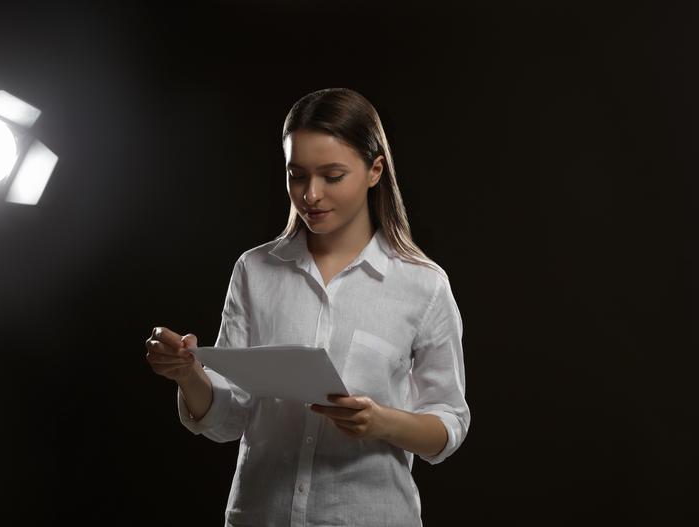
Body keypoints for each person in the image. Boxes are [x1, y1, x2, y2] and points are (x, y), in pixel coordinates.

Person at [145, 87, 470, 527]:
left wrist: (381, 422)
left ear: (375, 170)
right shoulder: (254, 270)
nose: (310, 195)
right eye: (297, 175)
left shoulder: (423, 285)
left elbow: (448, 424)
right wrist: (188, 374)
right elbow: (229, 418)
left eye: (332, 176)